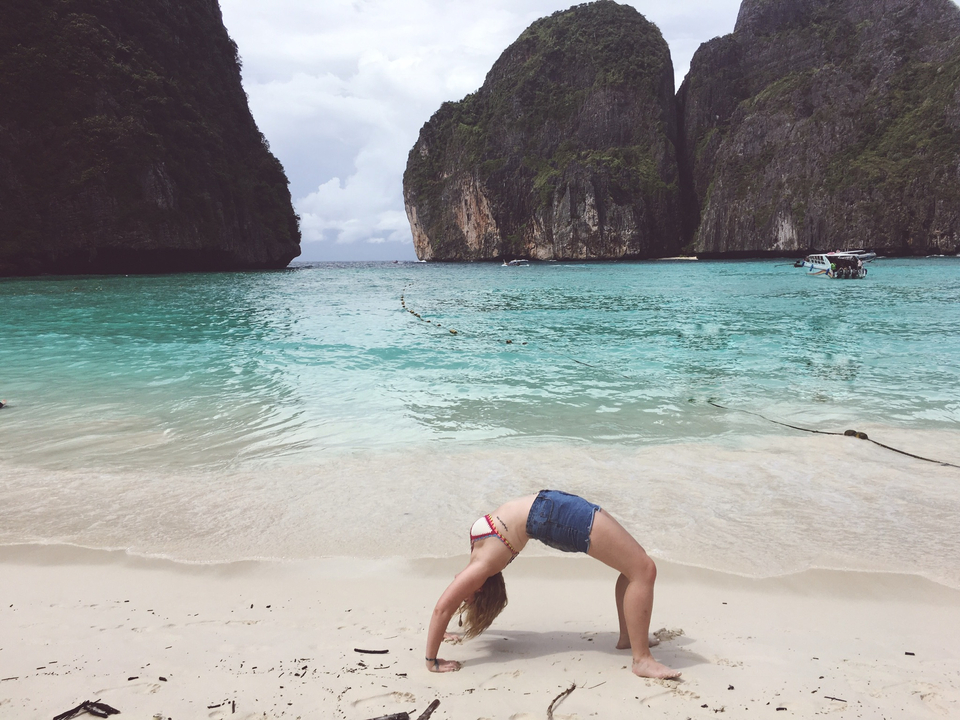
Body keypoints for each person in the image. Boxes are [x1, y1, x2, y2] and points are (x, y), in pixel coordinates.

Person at [425, 490, 680, 679]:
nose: (461, 598)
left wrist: (444, 631)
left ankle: (628, 639)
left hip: (550, 510)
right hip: (551, 515)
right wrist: (432, 661)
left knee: (635, 565)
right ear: (480, 587)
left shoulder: (478, 558)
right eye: (467, 599)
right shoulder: (482, 567)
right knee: (643, 569)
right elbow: (442, 609)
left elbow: (444, 609)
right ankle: (642, 659)